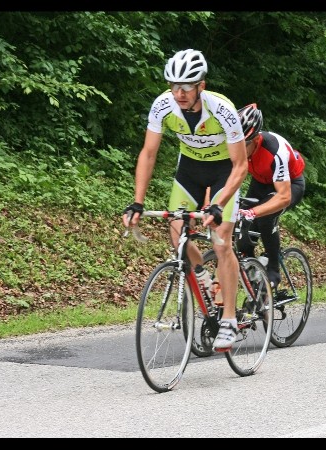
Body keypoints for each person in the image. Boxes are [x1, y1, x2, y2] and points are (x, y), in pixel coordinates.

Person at [121, 49, 248, 351]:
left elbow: (241, 165)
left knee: (220, 241)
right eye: (173, 85)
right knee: (176, 231)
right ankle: (203, 276)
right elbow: (149, 153)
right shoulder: (163, 105)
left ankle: (229, 317)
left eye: (186, 86)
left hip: (223, 172)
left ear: (201, 85)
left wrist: (218, 205)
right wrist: (137, 202)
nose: (178, 93)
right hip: (189, 171)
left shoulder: (222, 109)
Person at [235, 103, 306, 288]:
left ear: (256, 139)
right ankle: (251, 267)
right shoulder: (238, 146)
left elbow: (283, 196)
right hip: (261, 182)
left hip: (291, 183)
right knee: (239, 223)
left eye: (244, 145)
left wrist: (253, 213)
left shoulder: (275, 150)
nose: (239, 149)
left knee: (265, 217)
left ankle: (273, 271)